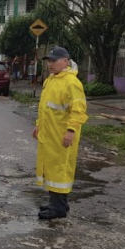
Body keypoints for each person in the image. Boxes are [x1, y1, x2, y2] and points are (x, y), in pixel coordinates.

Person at [33, 47, 88, 220]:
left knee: (60, 170)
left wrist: (71, 131)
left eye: (54, 60)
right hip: (50, 134)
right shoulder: (52, 80)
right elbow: (46, 108)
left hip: (62, 135)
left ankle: (58, 209)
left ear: (65, 60)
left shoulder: (71, 83)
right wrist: (38, 126)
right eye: (49, 60)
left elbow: (78, 110)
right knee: (51, 169)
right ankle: (57, 204)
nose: (50, 64)